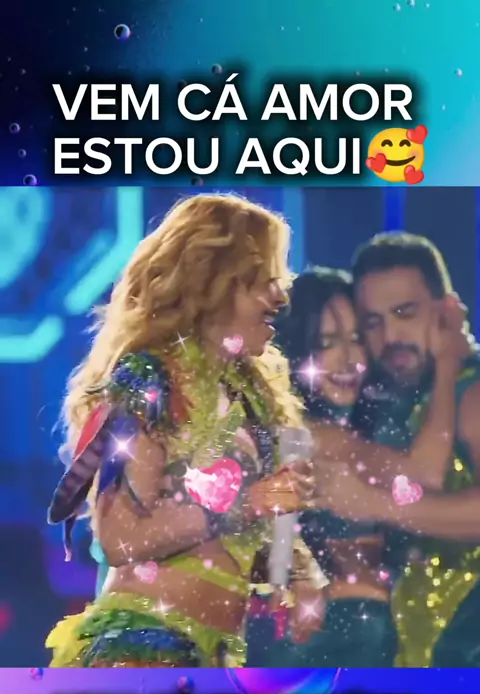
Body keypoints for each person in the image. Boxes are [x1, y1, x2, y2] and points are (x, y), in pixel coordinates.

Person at [46, 193, 327, 668]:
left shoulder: (253, 399)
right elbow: (121, 539)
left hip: (215, 657)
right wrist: (251, 501)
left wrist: (298, 573)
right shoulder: (150, 380)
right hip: (142, 649)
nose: (281, 297)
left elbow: (231, 534)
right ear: (213, 284)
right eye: (264, 280)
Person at [247, 265, 463, 667]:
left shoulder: (347, 428)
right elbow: (424, 476)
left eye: (356, 339)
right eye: (327, 343)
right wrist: (450, 364)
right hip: (324, 644)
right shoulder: (310, 434)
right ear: (296, 352)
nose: (349, 360)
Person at [315, 232, 480, 667]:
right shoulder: (385, 405)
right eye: (373, 323)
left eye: (405, 313)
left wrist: (374, 503)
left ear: (446, 312)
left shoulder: (471, 392)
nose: (390, 337)